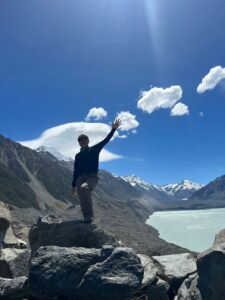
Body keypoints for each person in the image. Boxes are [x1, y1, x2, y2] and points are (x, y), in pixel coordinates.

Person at [71, 118, 122, 223]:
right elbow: (76, 170)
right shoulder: (78, 156)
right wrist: (73, 186)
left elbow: (106, 140)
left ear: (88, 141)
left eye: (84, 140)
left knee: (85, 188)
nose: (83, 142)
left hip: (92, 177)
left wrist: (113, 129)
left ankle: (89, 217)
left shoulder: (94, 149)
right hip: (80, 178)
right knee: (81, 195)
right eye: (80, 141)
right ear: (79, 143)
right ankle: (86, 216)